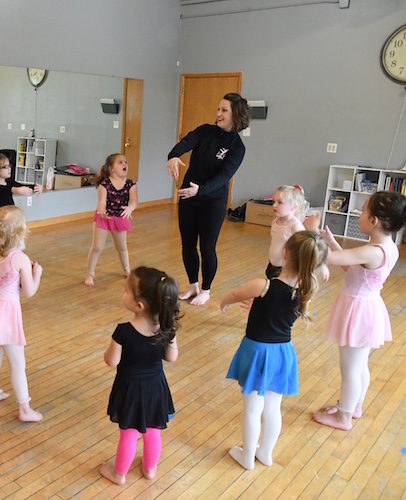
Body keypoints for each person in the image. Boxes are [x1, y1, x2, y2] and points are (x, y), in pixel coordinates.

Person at [221, 231, 328, 470]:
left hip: (257, 351)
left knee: (252, 409)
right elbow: (275, 311)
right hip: (282, 353)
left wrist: (224, 301)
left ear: (285, 252)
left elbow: (236, 293)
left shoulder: (264, 285)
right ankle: (265, 454)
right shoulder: (305, 290)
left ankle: (247, 457)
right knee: (272, 408)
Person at [312, 191, 406, 431]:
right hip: (365, 306)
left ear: (374, 221)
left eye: (363, 211)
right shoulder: (386, 246)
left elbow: (330, 260)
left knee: (350, 368)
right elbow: (350, 267)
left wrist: (311, 233)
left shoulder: (373, 251)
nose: (359, 215)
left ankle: (343, 417)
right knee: (359, 364)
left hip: (358, 309)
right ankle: (353, 406)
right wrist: (331, 241)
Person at [167, 93, 250, 306]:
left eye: (224, 110)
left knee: (207, 247)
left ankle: (206, 290)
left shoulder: (238, 148)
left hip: (213, 201)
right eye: (218, 109)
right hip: (189, 196)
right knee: (187, 244)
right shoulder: (205, 131)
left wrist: (201, 190)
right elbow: (186, 142)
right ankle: (193, 285)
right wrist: (174, 156)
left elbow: (223, 177)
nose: (218, 114)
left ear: (236, 115)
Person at [99, 267, 180, 485]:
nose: (122, 292)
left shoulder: (123, 331)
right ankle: (149, 469)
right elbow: (171, 357)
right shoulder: (166, 329)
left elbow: (111, 361)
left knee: (129, 434)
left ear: (139, 305)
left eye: (126, 290)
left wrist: (110, 350)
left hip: (130, 389)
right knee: (153, 431)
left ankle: (119, 474)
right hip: (155, 388)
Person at [0, 205, 43, 422]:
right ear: (19, 233)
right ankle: (24, 409)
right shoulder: (19, 258)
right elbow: (29, 291)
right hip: (7, 314)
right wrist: (36, 273)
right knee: (17, 364)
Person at [84, 153, 137, 287]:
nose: (124, 164)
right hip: (104, 218)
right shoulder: (104, 185)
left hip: (120, 218)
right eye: (120, 162)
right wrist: (101, 210)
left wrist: (130, 208)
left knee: (122, 248)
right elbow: (101, 201)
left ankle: (126, 269)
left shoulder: (131, 184)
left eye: (125, 162)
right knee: (96, 247)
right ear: (111, 168)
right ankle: (90, 274)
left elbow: (134, 201)